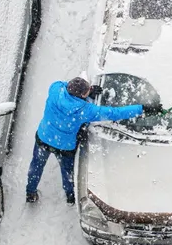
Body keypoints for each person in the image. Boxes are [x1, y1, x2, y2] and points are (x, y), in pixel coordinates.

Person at [26, 77, 161, 204]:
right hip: (64, 147)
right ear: (82, 96)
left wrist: (85, 92)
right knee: (67, 172)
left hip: (43, 137)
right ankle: (70, 195)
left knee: (36, 166)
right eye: (86, 92)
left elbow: (64, 85)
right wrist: (142, 108)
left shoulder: (55, 90)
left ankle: (30, 192)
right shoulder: (85, 110)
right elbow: (114, 113)